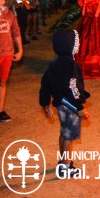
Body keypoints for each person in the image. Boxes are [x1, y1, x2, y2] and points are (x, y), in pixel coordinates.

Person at [39, 29, 91, 177]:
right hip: (70, 105)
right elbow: (72, 87)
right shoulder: (71, 65)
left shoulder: (54, 63)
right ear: (70, 45)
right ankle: (66, 167)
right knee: (69, 136)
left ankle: (63, 162)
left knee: (64, 133)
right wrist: (79, 107)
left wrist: (45, 103)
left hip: (61, 103)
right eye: (76, 42)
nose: (78, 45)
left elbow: (45, 83)